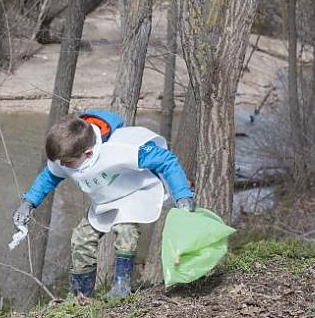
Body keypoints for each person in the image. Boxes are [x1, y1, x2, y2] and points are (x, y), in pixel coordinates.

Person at [12, 110, 196, 303]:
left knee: (125, 231)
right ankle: (81, 295)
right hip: (104, 200)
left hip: (134, 194)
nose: (63, 166)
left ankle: (121, 287)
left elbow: (166, 160)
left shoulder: (119, 148)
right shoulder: (66, 156)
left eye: (67, 163)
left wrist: (182, 195)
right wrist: (28, 203)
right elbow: (48, 177)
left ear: (88, 153)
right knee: (81, 238)